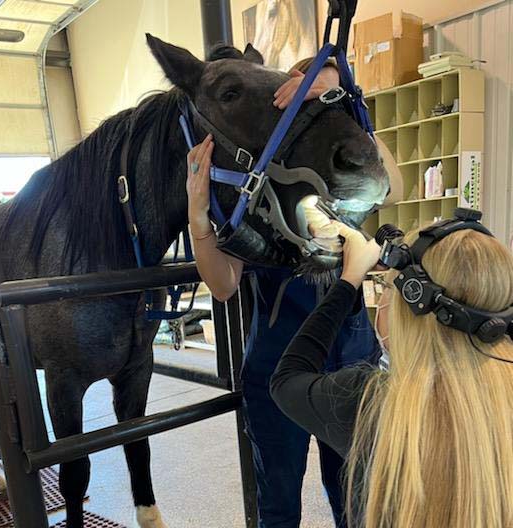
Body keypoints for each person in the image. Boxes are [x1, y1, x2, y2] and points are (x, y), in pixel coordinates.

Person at [187, 55, 379, 527]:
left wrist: (335, 83)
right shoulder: (255, 191)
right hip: (277, 370)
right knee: (278, 505)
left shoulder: (348, 175)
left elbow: (383, 173)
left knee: (358, 499)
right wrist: (198, 217)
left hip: (351, 360)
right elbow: (223, 284)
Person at [271, 222, 513, 527]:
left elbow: (286, 379)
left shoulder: (369, 403)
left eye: (387, 287)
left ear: (412, 299)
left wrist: (349, 280)